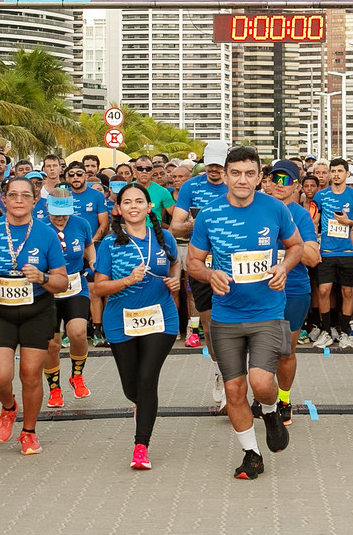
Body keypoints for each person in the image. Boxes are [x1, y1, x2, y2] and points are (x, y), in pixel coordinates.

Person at [185, 146, 305, 480]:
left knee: (261, 382)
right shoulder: (210, 214)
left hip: (268, 311)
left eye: (249, 173)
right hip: (226, 316)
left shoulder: (275, 209)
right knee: (235, 391)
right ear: (224, 176)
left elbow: (296, 246)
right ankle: (251, 454)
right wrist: (210, 275)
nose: (242, 180)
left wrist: (284, 265)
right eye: (235, 173)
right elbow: (192, 261)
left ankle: (269, 410)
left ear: (259, 178)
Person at [0, 174, 68, 455]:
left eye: (26, 195)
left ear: (35, 202)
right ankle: (8, 407)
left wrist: (43, 276)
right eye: (13, 195)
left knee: (30, 375)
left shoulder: (46, 234)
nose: (19, 200)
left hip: (38, 311)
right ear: (4, 200)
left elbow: (62, 282)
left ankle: (29, 432)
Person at [93, 183, 181, 469]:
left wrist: (176, 280)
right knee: (132, 387)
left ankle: (141, 446)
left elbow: (175, 264)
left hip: (160, 317)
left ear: (149, 206)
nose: (133, 206)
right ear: (119, 209)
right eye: (127, 202)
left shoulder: (165, 237)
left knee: (146, 379)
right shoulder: (109, 243)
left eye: (139, 201)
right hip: (121, 321)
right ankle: (141, 404)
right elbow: (99, 288)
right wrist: (127, 281)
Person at [262, 159, 322, 422]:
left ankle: (284, 399)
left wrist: (290, 237)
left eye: (285, 180)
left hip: (293, 290)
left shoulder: (299, 214)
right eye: (275, 179)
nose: (279, 185)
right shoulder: (256, 209)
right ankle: (264, 397)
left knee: (285, 351)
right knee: (261, 349)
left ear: (296, 185)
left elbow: (312, 258)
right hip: (258, 290)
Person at [171, 145, 231, 377]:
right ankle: (219, 371)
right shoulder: (191, 186)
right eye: (210, 163)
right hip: (202, 263)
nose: (214, 168)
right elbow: (175, 228)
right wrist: (194, 226)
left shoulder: (235, 186)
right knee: (210, 325)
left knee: (235, 324)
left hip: (231, 263)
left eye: (219, 164)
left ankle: (235, 375)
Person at [43, 184, 96, 407]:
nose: (61, 219)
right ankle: (54, 389)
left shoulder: (81, 224)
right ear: (48, 210)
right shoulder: (39, 228)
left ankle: (77, 376)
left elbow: (89, 246)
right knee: (52, 344)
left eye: (65, 215)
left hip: (76, 286)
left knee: (77, 332)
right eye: (56, 215)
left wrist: (93, 261)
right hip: (47, 291)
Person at [312, 157, 353, 349]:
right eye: (332, 171)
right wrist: (312, 246)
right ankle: (326, 331)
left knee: (347, 292)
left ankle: (345, 332)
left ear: (347, 174)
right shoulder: (320, 196)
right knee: (324, 291)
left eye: (339, 171)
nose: (335, 175)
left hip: (348, 252)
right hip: (326, 251)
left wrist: (348, 222)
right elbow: (314, 222)